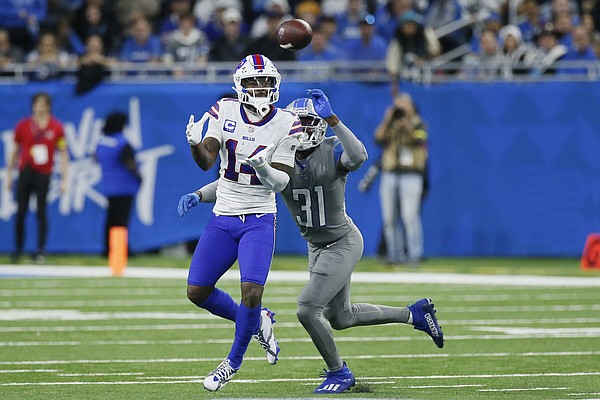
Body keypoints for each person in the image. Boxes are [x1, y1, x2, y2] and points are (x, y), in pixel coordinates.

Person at [181, 89, 445, 394]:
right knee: (341, 317)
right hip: (316, 246)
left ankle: (340, 372)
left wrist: (333, 119)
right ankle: (415, 313)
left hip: (342, 241)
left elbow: (359, 156)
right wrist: (200, 194)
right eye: (300, 122)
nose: (305, 129)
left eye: (311, 122)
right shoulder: (281, 152)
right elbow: (237, 179)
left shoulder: (332, 149)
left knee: (307, 309)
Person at [176, 54, 303, 392]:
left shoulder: (288, 122)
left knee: (252, 291)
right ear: (240, 86)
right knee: (196, 291)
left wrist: (263, 167)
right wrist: (193, 144)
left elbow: (282, 182)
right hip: (223, 216)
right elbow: (207, 160)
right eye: (253, 82)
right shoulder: (225, 109)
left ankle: (232, 362)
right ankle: (257, 321)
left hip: (259, 219)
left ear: (275, 85)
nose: (260, 88)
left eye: (266, 82)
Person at [5, 92, 69, 264]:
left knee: (41, 212)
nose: (39, 107)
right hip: (25, 171)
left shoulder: (56, 127)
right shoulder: (23, 125)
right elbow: (15, 150)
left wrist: (65, 179)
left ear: (48, 106)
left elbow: (63, 152)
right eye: (37, 104)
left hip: (43, 173)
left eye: (43, 104)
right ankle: (18, 249)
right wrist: (9, 175)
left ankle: (40, 251)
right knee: (21, 213)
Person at [374, 92, 428, 266]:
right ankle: (393, 254)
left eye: (403, 106)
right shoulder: (390, 125)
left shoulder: (419, 123)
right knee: (390, 218)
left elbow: (420, 139)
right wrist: (387, 120)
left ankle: (414, 254)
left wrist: (406, 125)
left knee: (409, 216)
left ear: (411, 107)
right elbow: (378, 138)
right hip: (390, 173)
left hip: (411, 174)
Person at [94, 112, 141, 256]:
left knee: (111, 218)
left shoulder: (102, 142)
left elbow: (95, 158)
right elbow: (130, 164)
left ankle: (107, 248)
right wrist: (139, 177)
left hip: (109, 185)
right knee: (122, 220)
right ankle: (121, 250)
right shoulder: (122, 143)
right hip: (124, 186)